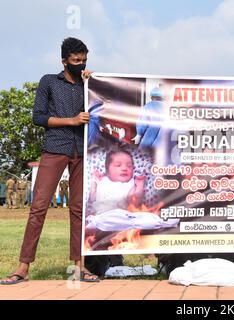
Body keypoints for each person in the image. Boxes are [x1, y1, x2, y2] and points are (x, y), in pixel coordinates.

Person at [0, 37, 99, 285]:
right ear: (64, 60)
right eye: (76, 60)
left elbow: (98, 112)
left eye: (84, 60)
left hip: (80, 151)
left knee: (78, 210)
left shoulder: (87, 85)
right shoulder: (48, 82)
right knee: (39, 207)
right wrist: (71, 121)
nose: (80, 63)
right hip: (55, 148)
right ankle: (22, 268)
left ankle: (80, 267)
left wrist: (94, 85)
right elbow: (39, 117)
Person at [89, 150, 146, 214]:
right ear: (107, 171)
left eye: (129, 166)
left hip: (121, 218)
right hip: (100, 218)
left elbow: (135, 201)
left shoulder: (130, 184)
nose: (124, 168)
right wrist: (94, 182)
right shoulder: (103, 181)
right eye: (118, 165)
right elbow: (92, 198)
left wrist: (140, 186)